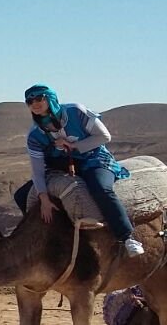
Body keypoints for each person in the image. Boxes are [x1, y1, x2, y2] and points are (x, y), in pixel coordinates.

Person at [12, 84, 141, 255]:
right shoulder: (35, 135)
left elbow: (104, 136)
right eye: (29, 101)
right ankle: (46, 239)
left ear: (50, 98)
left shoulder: (76, 112)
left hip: (93, 160)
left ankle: (126, 237)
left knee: (101, 188)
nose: (34, 103)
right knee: (22, 195)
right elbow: (37, 170)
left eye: (39, 98)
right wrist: (43, 198)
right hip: (59, 168)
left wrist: (73, 146)